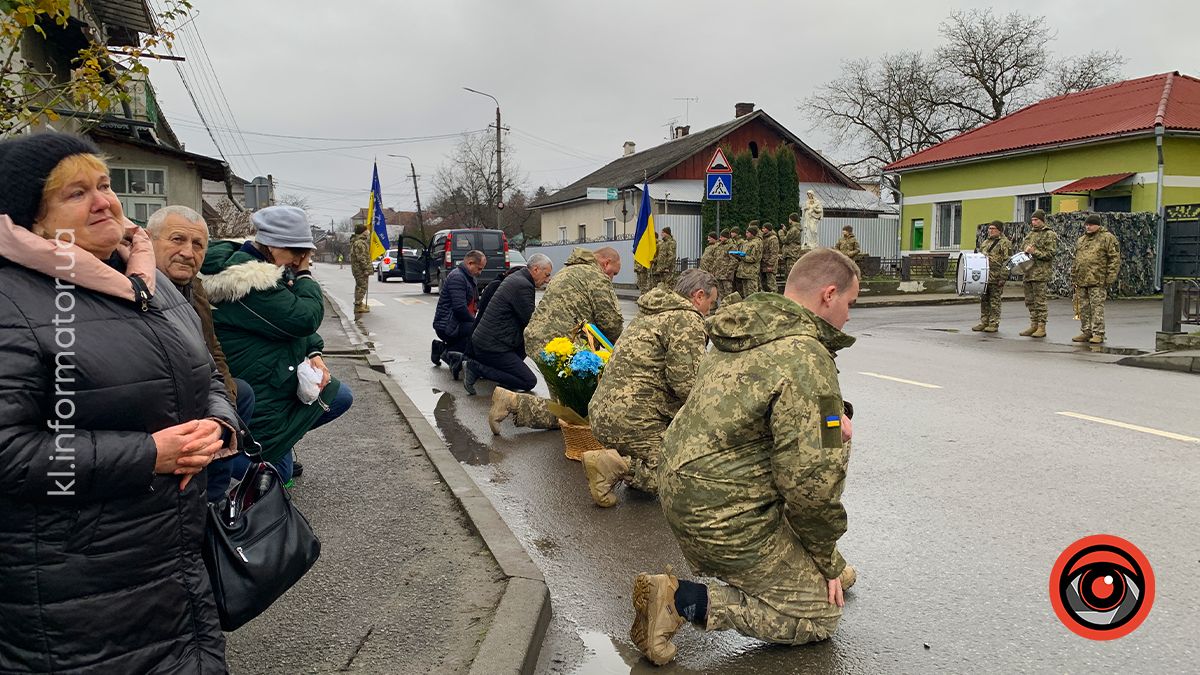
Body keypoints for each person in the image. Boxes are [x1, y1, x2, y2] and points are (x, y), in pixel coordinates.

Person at [0, 133, 233, 672]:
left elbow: (210, 377)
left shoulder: (146, 281)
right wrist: (149, 455)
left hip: (173, 560)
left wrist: (219, 427)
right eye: (75, 193)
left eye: (104, 184)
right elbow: (9, 453)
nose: (105, 200)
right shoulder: (12, 299)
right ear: (32, 219)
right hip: (74, 591)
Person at [630, 248, 861, 666]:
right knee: (819, 617)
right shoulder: (807, 356)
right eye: (850, 304)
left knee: (815, 455)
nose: (848, 317)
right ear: (829, 295)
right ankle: (679, 601)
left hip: (687, 488)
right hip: (725, 511)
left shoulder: (741, 330)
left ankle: (800, 565)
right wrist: (826, 560)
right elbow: (810, 484)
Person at [202, 204, 354, 483]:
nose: (299, 260)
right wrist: (306, 274)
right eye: (297, 252)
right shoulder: (250, 281)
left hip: (270, 374)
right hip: (259, 384)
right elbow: (303, 318)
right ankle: (224, 457)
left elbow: (286, 318)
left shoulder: (258, 265)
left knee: (339, 396)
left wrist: (313, 350)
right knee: (278, 476)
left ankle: (277, 446)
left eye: (303, 254)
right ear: (273, 245)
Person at [147, 205, 258, 502]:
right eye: (177, 239)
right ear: (148, 240)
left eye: (197, 245)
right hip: (165, 395)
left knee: (239, 396)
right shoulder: (138, 288)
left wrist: (225, 394)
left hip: (201, 385)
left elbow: (212, 347)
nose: (188, 252)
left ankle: (215, 497)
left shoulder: (194, 288)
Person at [582, 269, 717, 507]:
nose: (710, 310)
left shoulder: (652, 313)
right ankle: (615, 466)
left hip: (604, 414)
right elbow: (686, 384)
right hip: (635, 420)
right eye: (711, 303)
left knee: (664, 451)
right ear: (698, 296)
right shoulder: (687, 319)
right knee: (682, 474)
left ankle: (634, 463)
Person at [490, 247, 624, 435]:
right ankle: (512, 403)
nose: (612, 278)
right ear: (606, 263)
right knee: (575, 412)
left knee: (566, 407)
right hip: (560, 346)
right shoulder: (596, 276)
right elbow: (611, 324)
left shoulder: (567, 272)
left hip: (541, 340)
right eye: (613, 273)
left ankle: (512, 403)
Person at [464, 254, 553, 396]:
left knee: (524, 348)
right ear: (536, 269)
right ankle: (476, 369)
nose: (547, 280)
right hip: (492, 346)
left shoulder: (517, 277)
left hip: (488, 340)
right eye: (547, 275)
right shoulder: (523, 285)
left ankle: (506, 379)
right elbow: (531, 321)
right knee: (528, 381)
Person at [432, 249, 486, 378]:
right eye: (479, 268)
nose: (480, 272)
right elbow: (459, 308)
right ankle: (446, 352)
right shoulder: (458, 277)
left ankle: (443, 349)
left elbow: (474, 301)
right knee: (477, 332)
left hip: (455, 323)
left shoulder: (468, 277)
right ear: (470, 263)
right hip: (447, 325)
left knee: (478, 330)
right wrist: (476, 322)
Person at [1071, 214, 1121, 344]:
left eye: (1091, 225)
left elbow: (1114, 259)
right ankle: (1086, 331)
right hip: (1082, 279)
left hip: (1097, 279)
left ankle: (1098, 333)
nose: (1088, 227)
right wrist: (1074, 275)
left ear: (1098, 225)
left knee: (1097, 307)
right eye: (1086, 225)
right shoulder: (1081, 240)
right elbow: (1077, 259)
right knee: (1083, 307)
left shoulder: (1107, 238)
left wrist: (1110, 277)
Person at [1019, 209, 1058, 338]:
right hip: (1028, 272)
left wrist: (1034, 252)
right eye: (1033, 220)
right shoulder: (1030, 234)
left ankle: (1042, 327)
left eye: (1037, 220)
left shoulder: (1049, 234)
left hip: (1040, 273)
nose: (1034, 222)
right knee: (1030, 301)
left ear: (1042, 221)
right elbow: (1023, 249)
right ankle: (1034, 324)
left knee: (1040, 301)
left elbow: (1050, 254)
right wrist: (1025, 251)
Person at [972, 221, 1012, 333]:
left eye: (993, 228)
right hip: (984, 277)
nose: (990, 230)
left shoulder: (1005, 243)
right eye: (989, 228)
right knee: (984, 300)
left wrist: (1003, 277)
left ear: (999, 230)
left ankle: (994, 323)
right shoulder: (985, 243)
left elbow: (1008, 261)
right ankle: (984, 321)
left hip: (996, 276)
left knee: (995, 301)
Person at [734, 223, 762, 297]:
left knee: (752, 294)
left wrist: (742, 256)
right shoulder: (746, 242)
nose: (746, 234)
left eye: (748, 232)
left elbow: (754, 258)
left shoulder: (756, 243)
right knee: (746, 294)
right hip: (744, 272)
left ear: (752, 233)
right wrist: (738, 255)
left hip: (751, 272)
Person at [349, 221, 372, 313]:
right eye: (366, 230)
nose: (368, 231)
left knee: (360, 286)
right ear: (363, 231)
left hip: (358, 268)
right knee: (362, 286)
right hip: (360, 269)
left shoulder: (359, 241)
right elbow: (362, 258)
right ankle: (358, 305)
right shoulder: (360, 243)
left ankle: (359, 303)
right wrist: (366, 269)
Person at [714, 227, 739, 300]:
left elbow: (734, 260)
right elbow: (716, 259)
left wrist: (728, 272)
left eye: (722, 237)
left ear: (726, 237)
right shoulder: (719, 246)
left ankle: (729, 308)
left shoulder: (731, 246)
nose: (720, 238)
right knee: (721, 293)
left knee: (728, 293)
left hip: (726, 274)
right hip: (719, 273)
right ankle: (723, 308)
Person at [780, 213, 804, 279]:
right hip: (793, 252)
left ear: (791, 219)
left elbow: (785, 240)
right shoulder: (795, 229)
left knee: (790, 273)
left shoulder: (793, 229)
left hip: (791, 253)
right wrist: (785, 230)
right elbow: (792, 237)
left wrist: (781, 233)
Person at [760, 221, 781, 293]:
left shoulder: (773, 238)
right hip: (763, 263)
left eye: (764, 228)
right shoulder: (764, 238)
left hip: (769, 264)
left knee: (771, 283)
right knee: (764, 283)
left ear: (768, 229)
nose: (762, 230)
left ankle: (775, 297)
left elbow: (774, 253)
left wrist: (770, 264)